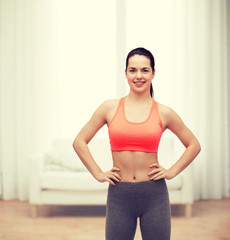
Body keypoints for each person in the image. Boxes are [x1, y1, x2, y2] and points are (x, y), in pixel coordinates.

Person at [73, 47, 201, 240]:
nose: (138, 75)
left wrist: (172, 171)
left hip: (154, 195)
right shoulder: (109, 107)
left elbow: (194, 144)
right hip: (119, 195)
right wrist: (98, 174)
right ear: (125, 73)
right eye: (133, 70)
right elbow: (79, 141)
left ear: (153, 73)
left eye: (145, 70)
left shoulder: (164, 112)